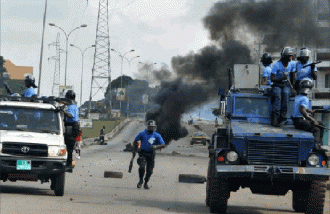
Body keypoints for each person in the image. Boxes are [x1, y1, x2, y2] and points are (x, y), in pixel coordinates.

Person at [292, 79, 324, 151]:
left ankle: (319, 143)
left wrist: (310, 111)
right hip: (300, 121)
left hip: (295, 121)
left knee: (321, 124)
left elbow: (302, 108)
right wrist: (312, 120)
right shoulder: (305, 98)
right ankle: (316, 146)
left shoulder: (298, 97)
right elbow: (302, 110)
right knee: (316, 129)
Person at [132, 120, 165, 189]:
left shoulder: (156, 135)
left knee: (150, 171)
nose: (151, 128)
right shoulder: (142, 134)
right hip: (143, 153)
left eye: (153, 127)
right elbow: (135, 141)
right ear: (148, 127)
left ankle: (146, 182)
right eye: (150, 127)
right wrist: (135, 149)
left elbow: (162, 144)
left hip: (151, 154)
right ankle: (141, 180)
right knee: (142, 167)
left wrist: (156, 147)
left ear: (154, 127)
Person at [270, 47, 296, 127]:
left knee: (286, 94)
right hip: (277, 85)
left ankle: (283, 118)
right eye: (289, 56)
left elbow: (293, 76)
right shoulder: (276, 65)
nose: (290, 57)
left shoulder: (292, 64)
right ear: (284, 57)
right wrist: (280, 79)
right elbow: (272, 78)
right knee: (278, 96)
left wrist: (293, 86)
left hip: (286, 85)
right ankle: (275, 118)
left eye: (291, 56)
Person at [62, 90, 80, 171]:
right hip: (72, 126)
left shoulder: (72, 106)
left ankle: (69, 165)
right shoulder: (74, 105)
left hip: (72, 126)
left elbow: (70, 115)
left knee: (69, 146)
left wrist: (63, 111)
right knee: (69, 145)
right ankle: (67, 163)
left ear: (68, 97)